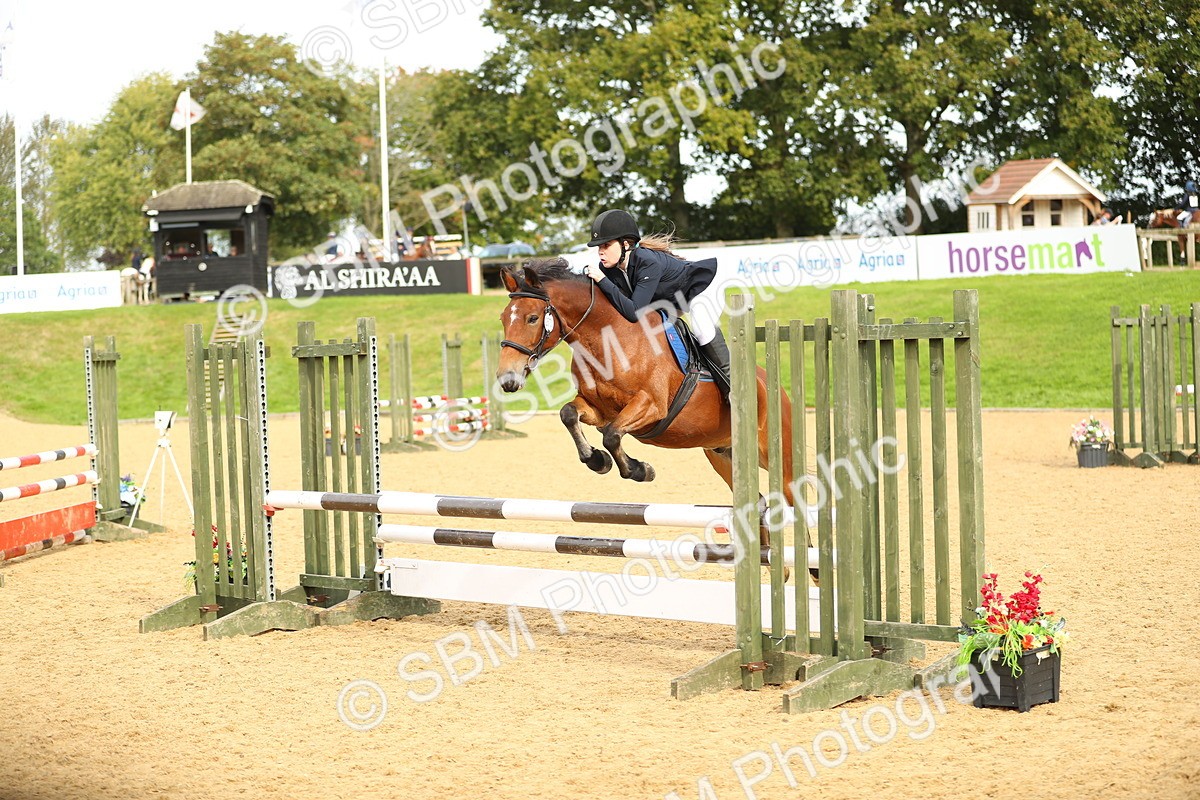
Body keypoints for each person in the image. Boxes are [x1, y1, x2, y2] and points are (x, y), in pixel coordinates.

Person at [583, 209, 732, 399]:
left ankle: (734, 388)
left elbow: (634, 312)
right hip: (669, 300)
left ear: (625, 244)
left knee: (702, 329)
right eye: (598, 247)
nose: (600, 252)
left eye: (606, 245)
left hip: (700, 288)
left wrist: (602, 280)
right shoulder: (609, 268)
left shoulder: (647, 262)